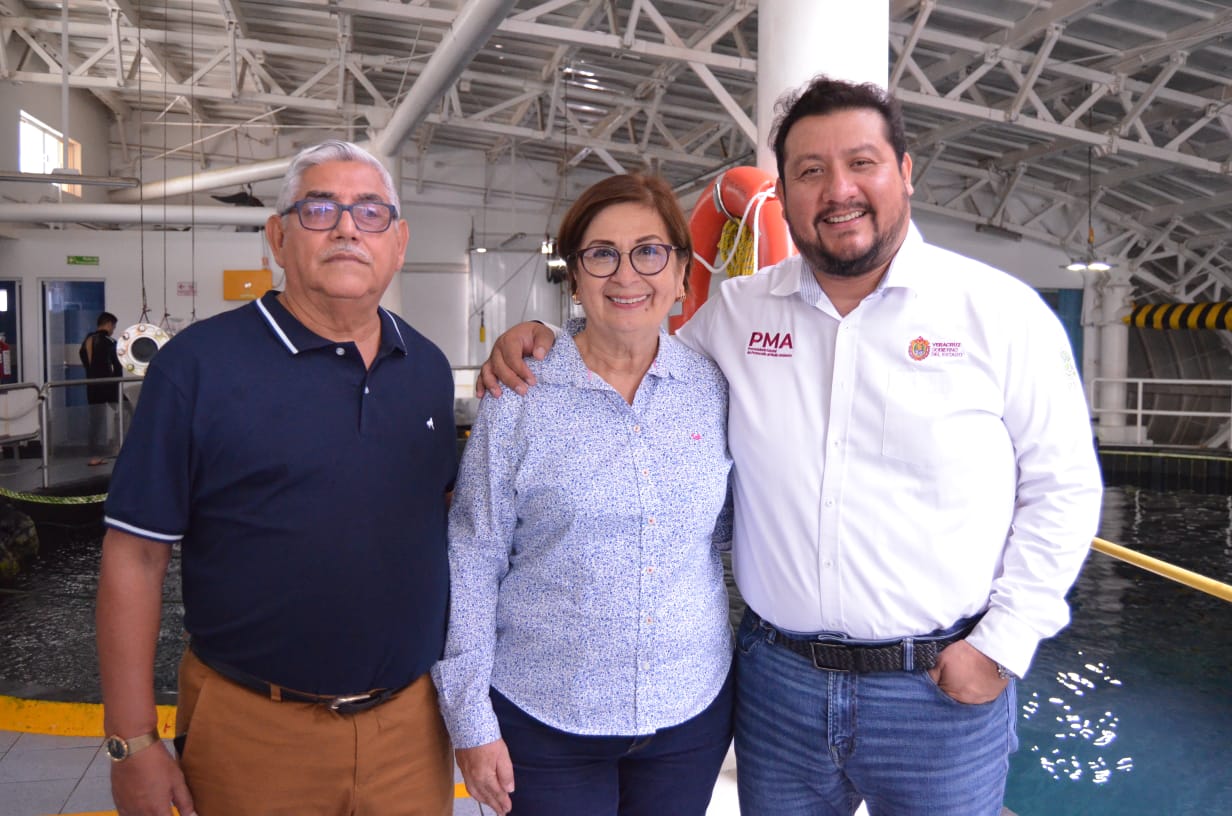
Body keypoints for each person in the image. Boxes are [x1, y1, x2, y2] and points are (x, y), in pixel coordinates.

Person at [479, 76, 1104, 816]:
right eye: (811, 171)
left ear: (905, 171)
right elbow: (637, 351)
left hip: (937, 688)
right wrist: (541, 342)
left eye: (862, 163)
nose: (838, 190)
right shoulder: (740, 314)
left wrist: (1004, 643)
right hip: (780, 689)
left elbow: (1063, 488)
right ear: (786, 191)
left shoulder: (999, 314)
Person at [95, 140, 457, 816]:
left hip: (410, 728)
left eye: (371, 213)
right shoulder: (199, 367)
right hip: (252, 732)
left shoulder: (428, 369)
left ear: (399, 242)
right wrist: (130, 740)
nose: (348, 227)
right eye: (320, 209)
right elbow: (136, 555)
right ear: (278, 237)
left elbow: (446, 521)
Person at [432, 174, 734, 816]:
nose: (627, 274)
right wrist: (470, 718)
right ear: (575, 277)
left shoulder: (713, 386)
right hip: (545, 717)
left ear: (681, 273)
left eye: (650, 251)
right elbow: (474, 555)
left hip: (688, 713)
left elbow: (732, 531)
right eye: (602, 254)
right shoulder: (519, 394)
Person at [80, 311, 123, 465]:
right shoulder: (110, 342)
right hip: (109, 386)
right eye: (114, 326)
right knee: (125, 412)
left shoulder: (87, 340)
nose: (113, 330)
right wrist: (117, 380)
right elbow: (116, 365)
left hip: (92, 386)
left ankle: (93, 456)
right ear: (109, 324)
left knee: (95, 421)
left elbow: (86, 361)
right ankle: (120, 448)